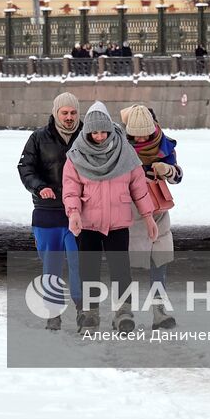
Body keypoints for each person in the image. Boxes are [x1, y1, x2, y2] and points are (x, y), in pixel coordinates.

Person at [64, 102, 158, 333]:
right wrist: (74, 213)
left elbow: (139, 188)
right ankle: (90, 313)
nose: (99, 136)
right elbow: (71, 189)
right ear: (87, 132)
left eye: (103, 131)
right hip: (89, 224)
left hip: (117, 223)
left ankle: (123, 312)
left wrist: (148, 216)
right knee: (89, 269)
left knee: (121, 269)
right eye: (95, 132)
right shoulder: (76, 156)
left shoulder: (125, 152)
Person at [17, 92, 85, 330]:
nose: (69, 117)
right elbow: (25, 168)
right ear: (56, 113)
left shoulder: (88, 136)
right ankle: (53, 313)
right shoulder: (38, 138)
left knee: (80, 263)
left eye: (73, 113)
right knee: (51, 266)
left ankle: (82, 310)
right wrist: (39, 187)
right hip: (47, 213)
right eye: (64, 113)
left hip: (78, 213)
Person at [121, 104, 183, 330]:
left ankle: (159, 311)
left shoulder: (163, 144)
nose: (143, 138)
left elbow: (178, 175)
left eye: (146, 132)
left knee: (160, 259)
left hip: (157, 210)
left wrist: (168, 171)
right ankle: (124, 311)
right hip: (130, 211)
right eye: (137, 135)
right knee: (125, 263)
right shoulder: (120, 146)